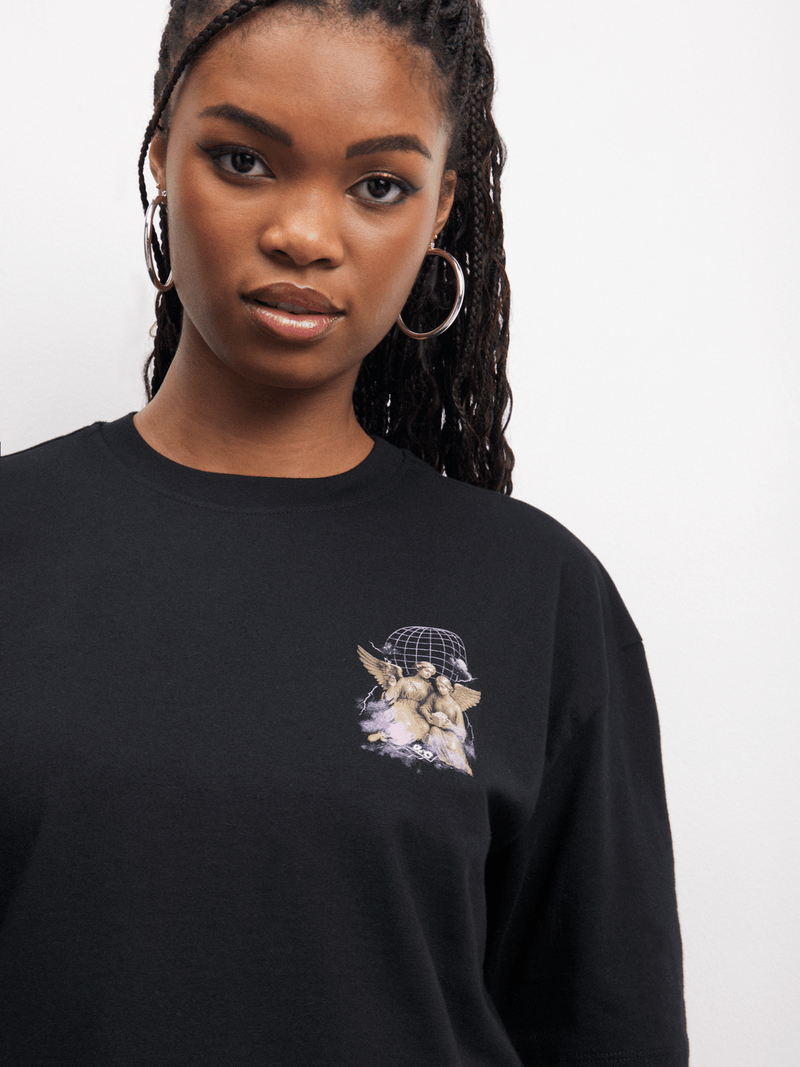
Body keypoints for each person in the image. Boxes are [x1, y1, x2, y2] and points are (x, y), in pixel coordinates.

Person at [0, 1, 690, 1065]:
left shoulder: (540, 594)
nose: (305, 235)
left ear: (439, 206)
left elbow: (607, 1030)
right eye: (242, 160)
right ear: (160, 156)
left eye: (378, 185)